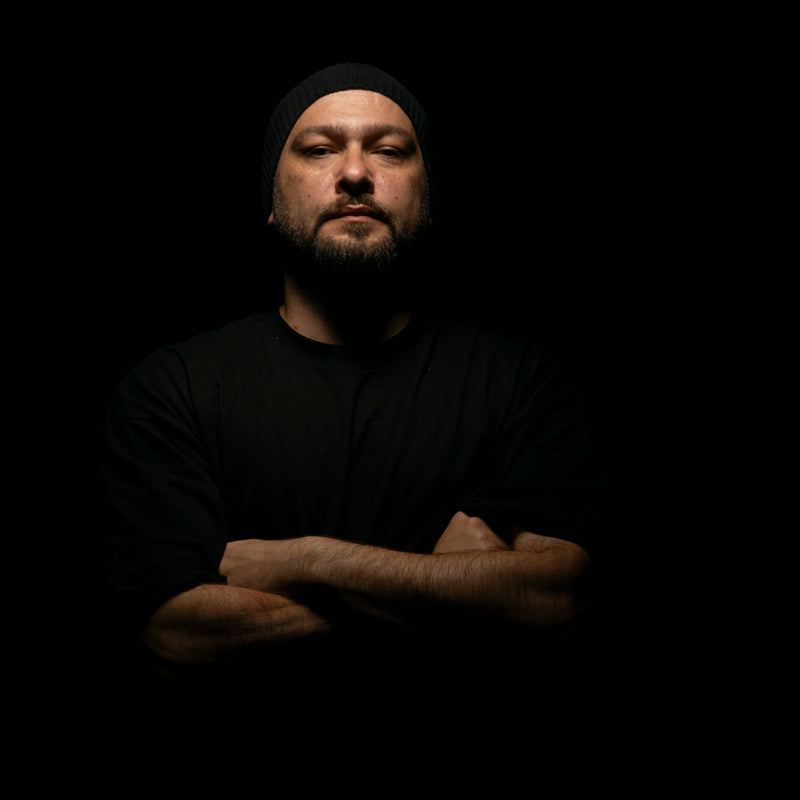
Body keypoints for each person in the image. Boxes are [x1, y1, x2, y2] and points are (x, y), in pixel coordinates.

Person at [100, 62, 608, 795]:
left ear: (426, 198)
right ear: (272, 199)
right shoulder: (173, 388)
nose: (356, 173)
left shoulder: (519, 383)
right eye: (318, 149)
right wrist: (450, 592)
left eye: (390, 150)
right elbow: (176, 636)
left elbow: (554, 603)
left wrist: (307, 561)